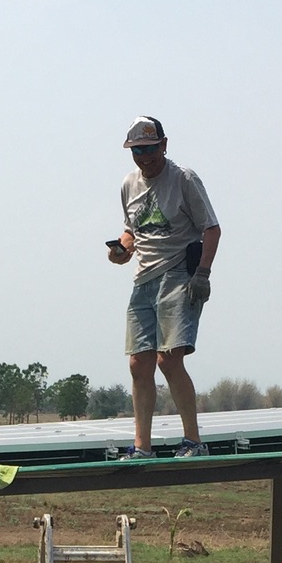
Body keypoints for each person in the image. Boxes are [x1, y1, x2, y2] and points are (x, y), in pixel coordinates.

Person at [109, 117, 221, 459]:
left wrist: (202, 274)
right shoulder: (129, 184)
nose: (145, 157)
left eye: (150, 148)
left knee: (169, 360)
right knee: (138, 364)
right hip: (143, 279)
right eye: (137, 151)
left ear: (164, 144)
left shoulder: (183, 179)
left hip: (178, 274)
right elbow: (132, 230)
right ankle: (142, 446)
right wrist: (121, 249)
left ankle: (194, 441)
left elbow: (212, 229)